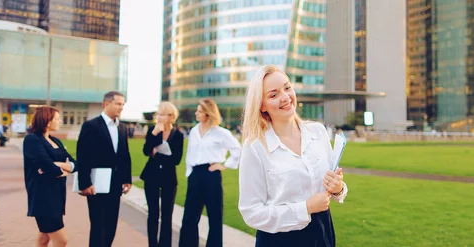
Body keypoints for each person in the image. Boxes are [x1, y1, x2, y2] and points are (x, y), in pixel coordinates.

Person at [238, 65, 348, 247]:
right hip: (279, 240)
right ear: (262, 105)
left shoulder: (318, 132)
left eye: (287, 88)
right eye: (273, 95)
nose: (285, 97)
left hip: (322, 232)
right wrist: (305, 209)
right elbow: (251, 212)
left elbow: (334, 187)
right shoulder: (255, 147)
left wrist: (338, 188)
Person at [178, 98, 241, 247]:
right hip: (195, 175)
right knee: (189, 218)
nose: (196, 113)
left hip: (211, 175)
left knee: (214, 217)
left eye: (199, 111)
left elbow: (238, 149)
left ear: (208, 113)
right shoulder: (194, 131)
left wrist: (224, 165)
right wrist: (190, 173)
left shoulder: (221, 133)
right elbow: (190, 153)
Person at [76, 91, 132, 247]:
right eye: (118, 104)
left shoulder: (122, 128)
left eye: (123, 104)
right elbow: (83, 156)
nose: (121, 107)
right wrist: (85, 183)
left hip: (115, 184)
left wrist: (126, 179)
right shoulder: (91, 126)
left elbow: (124, 154)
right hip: (96, 184)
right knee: (98, 226)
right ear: (107, 104)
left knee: (111, 226)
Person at [23, 106, 77, 247]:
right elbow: (46, 165)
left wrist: (59, 166)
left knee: (44, 238)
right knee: (61, 240)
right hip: (42, 197)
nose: (60, 121)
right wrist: (62, 169)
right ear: (47, 121)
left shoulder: (56, 141)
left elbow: (75, 164)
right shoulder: (32, 140)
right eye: (57, 119)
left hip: (57, 196)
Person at [140, 102, 184, 247]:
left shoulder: (178, 134)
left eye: (162, 114)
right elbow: (146, 151)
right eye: (157, 114)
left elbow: (176, 159)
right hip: (151, 176)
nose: (158, 117)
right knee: (152, 214)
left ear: (171, 117)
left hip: (169, 178)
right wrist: (154, 135)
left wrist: (157, 153)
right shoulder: (153, 130)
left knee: (167, 215)